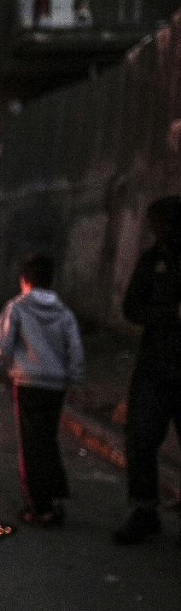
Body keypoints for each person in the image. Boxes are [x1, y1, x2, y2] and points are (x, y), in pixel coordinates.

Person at [0, 255, 84, 525]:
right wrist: (73, 380)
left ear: (24, 280)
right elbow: (74, 349)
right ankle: (54, 498)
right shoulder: (64, 312)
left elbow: (1, 346)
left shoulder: (16, 307)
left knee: (31, 446)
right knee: (47, 440)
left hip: (28, 384)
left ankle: (39, 508)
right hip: (55, 385)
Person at [112, 195, 181, 546]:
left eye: (162, 223)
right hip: (155, 366)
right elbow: (131, 308)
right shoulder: (153, 261)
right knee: (140, 437)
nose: (157, 230)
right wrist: (169, 315)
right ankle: (144, 510)